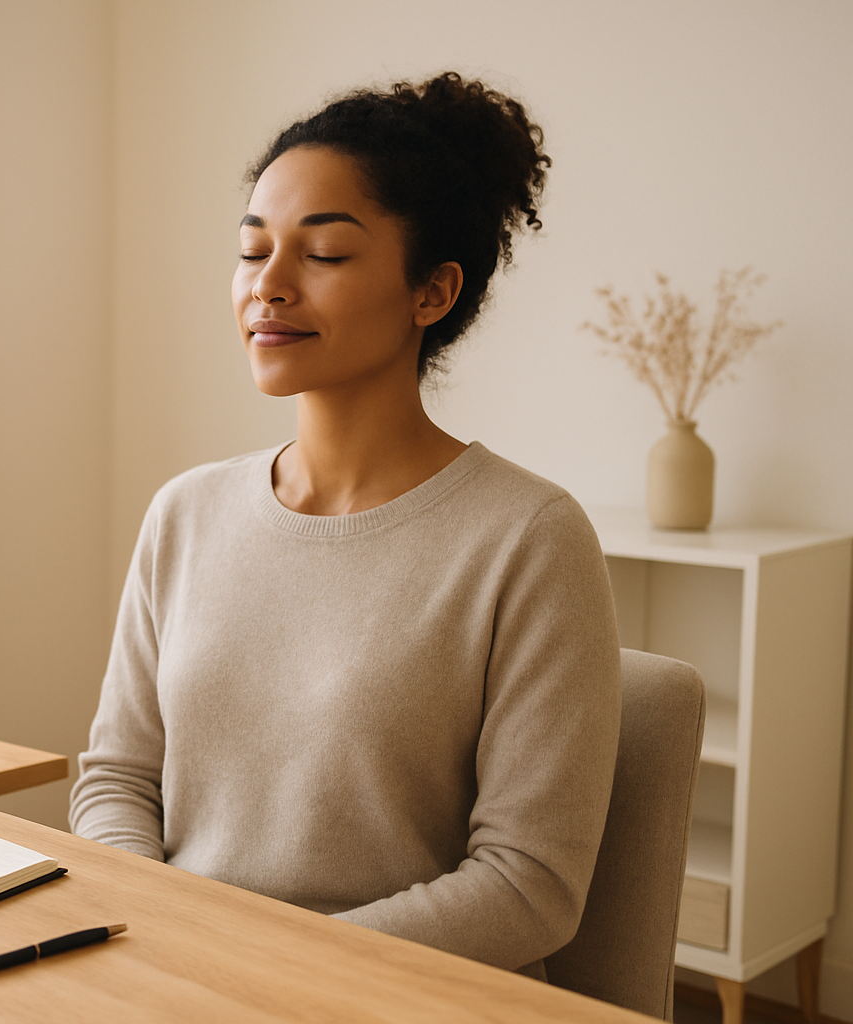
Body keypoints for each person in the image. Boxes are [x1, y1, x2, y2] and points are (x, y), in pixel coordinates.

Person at [68, 72, 622, 979]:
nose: (269, 286)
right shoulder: (186, 513)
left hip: (385, 990)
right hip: (179, 974)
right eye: (253, 251)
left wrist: (269, 967)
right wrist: (166, 932)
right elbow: (117, 781)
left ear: (432, 292)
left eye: (322, 254)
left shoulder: (529, 539)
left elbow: (529, 886)